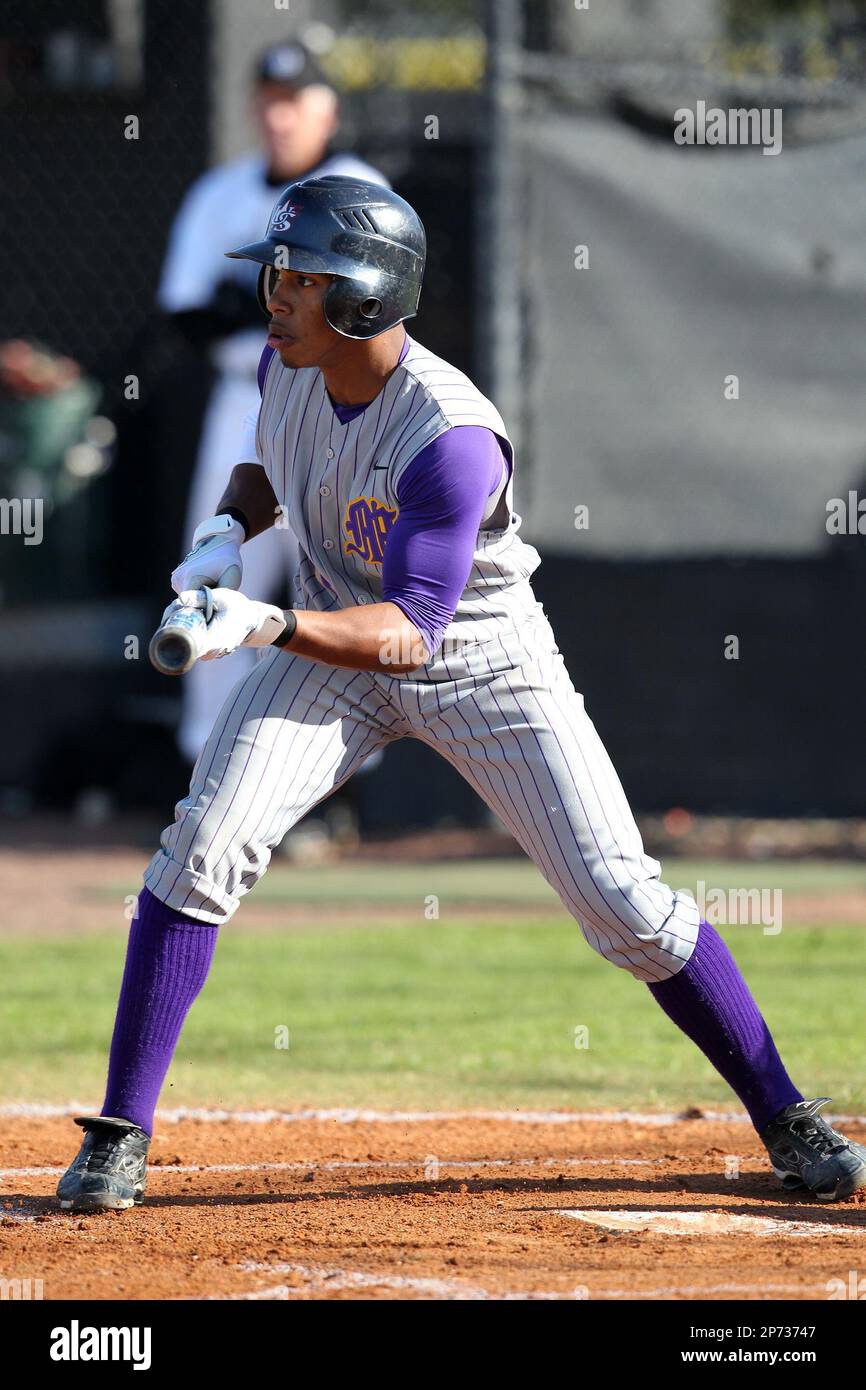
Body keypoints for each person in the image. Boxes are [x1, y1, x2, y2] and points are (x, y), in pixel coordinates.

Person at [57, 176, 866, 1212]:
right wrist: (227, 529)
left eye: (297, 281)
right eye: (276, 275)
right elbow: (273, 461)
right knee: (201, 844)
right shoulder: (286, 359)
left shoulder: (450, 437)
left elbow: (411, 631)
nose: (273, 296)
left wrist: (262, 624)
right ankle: (120, 1132)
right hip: (330, 644)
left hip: (478, 660)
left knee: (623, 902)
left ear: (362, 299)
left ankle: (784, 1114)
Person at [159, 39, 389, 762]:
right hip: (245, 402)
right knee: (212, 575)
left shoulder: (357, 186)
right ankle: (210, 765)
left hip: (340, 400)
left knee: (341, 584)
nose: (280, 117)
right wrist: (258, 303)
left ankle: (338, 777)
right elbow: (183, 314)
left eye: (295, 100)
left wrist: (250, 299)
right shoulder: (221, 194)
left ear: (328, 107)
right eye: (268, 101)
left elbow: (374, 304)